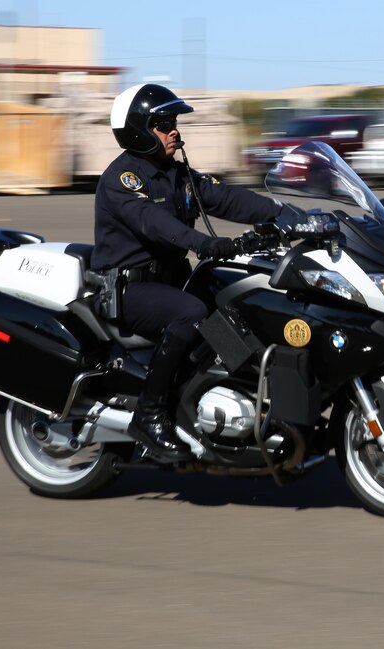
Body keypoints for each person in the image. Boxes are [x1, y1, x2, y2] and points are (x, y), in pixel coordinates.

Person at [92, 83, 286, 462]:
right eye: (163, 124)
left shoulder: (178, 175)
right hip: (130, 291)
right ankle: (150, 414)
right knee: (191, 314)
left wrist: (288, 214)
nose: (174, 131)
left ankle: (248, 405)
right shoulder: (123, 179)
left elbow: (227, 197)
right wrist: (204, 243)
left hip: (171, 280)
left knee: (241, 300)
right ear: (137, 129)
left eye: (174, 122)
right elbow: (154, 222)